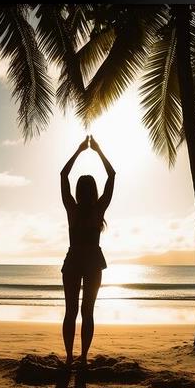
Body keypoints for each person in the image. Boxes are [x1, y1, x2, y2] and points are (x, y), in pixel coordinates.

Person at [60, 135, 115, 369]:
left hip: (74, 261)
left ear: (78, 191)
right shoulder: (98, 210)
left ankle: (71, 358)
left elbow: (63, 176)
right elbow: (112, 176)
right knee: (87, 312)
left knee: (71, 311)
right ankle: (81, 358)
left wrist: (79, 150)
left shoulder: (72, 209)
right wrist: (99, 151)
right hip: (92, 261)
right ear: (93, 191)